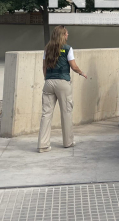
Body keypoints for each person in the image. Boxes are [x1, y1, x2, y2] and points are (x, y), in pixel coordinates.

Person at [38, 25, 87, 153]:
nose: (67, 35)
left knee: (46, 114)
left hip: (48, 82)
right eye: (66, 33)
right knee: (66, 112)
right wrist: (81, 73)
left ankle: (43, 145)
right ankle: (68, 142)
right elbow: (73, 66)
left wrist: (47, 78)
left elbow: (44, 67)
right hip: (63, 83)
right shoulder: (67, 49)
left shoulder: (47, 49)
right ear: (62, 35)